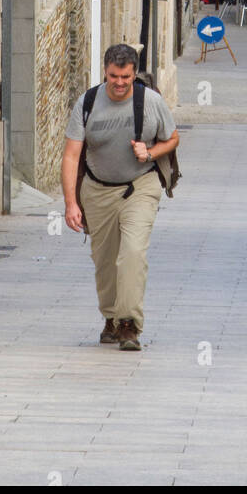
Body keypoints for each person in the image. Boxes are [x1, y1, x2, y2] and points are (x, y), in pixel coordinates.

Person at [62, 43, 180, 351]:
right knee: (104, 261)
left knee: (132, 252)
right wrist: (71, 204)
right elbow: (72, 155)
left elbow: (172, 137)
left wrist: (151, 151)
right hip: (97, 189)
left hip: (140, 186)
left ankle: (129, 323)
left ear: (134, 74)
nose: (119, 83)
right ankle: (111, 318)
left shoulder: (150, 101)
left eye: (126, 77)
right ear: (105, 71)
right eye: (114, 76)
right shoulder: (88, 102)